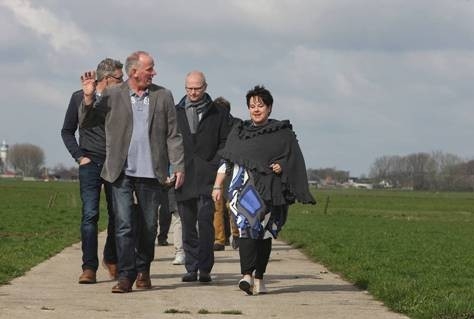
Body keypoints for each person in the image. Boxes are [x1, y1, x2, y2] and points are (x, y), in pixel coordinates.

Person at [80, 51, 185, 293]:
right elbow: (87, 122)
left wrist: (178, 165)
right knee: (124, 225)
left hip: (152, 173)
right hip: (121, 172)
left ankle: (143, 270)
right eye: (149, 69)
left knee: (148, 226)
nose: (154, 73)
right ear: (134, 71)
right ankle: (125, 276)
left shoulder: (163, 95)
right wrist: (88, 98)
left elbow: (173, 135)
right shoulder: (113, 94)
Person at [212, 85, 316, 295]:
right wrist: (217, 184)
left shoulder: (281, 133)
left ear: (269, 108)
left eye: (260, 105)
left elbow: (293, 159)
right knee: (245, 228)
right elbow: (227, 160)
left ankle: (259, 276)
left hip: (270, 190)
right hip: (242, 189)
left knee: (263, 234)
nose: (256, 109)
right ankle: (246, 275)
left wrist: (282, 166)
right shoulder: (239, 132)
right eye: (252, 106)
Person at [61, 58, 124, 284]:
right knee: (90, 215)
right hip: (90, 164)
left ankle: (111, 256)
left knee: (118, 214)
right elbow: (67, 131)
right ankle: (89, 267)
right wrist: (79, 157)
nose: (123, 81)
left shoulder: (121, 98)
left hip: (115, 163)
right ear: (107, 79)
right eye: (119, 78)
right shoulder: (79, 97)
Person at [175, 71, 232, 283]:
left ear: (205, 87)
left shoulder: (217, 112)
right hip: (183, 176)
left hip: (209, 177)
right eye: (189, 88)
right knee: (188, 224)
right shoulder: (176, 111)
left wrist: (215, 164)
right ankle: (191, 267)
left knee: (206, 223)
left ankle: (205, 268)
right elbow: (169, 140)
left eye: (197, 88)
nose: (193, 92)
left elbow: (225, 142)